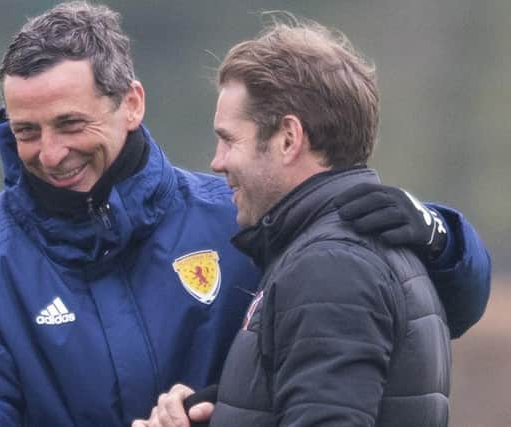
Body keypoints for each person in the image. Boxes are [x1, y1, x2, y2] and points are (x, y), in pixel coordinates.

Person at [0, 3, 489, 426]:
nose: (50, 153)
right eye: (26, 132)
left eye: (70, 124)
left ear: (131, 102)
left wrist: (444, 239)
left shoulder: (241, 216)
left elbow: (423, 315)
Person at [134, 17, 485, 427]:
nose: (217, 161)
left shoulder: (330, 266)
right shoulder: (355, 247)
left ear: (288, 138)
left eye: (229, 139)